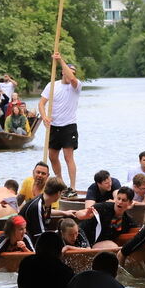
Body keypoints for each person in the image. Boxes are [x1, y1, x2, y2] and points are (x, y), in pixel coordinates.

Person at [39, 52, 82, 192]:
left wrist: (60, 59)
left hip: (69, 126)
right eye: (69, 72)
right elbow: (41, 103)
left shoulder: (76, 85)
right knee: (52, 156)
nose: (71, 74)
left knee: (68, 156)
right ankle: (61, 183)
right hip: (54, 126)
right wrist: (44, 116)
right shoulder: (52, 85)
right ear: (63, 72)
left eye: (73, 72)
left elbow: (73, 79)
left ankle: (73, 187)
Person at [68, 185, 135, 249]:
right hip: (81, 237)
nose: (119, 202)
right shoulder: (102, 207)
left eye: (124, 200)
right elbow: (78, 213)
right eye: (118, 198)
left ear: (130, 203)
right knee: (112, 246)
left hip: (98, 244)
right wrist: (84, 216)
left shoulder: (128, 220)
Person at [19, 176, 69, 242]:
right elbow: (41, 235)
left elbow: (44, 212)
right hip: (25, 239)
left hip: (31, 236)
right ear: (58, 193)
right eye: (61, 193)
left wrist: (64, 212)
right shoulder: (37, 206)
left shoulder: (45, 201)